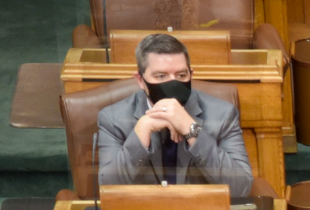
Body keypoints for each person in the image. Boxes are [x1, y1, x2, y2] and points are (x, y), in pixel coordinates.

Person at [95, 33, 253, 199]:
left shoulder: (222, 114)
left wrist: (192, 130)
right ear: (140, 80)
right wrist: (141, 132)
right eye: (161, 76)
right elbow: (108, 189)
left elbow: (241, 188)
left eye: (181, 76)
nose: (173, 83)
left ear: (191, 74)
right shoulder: (113, 118)